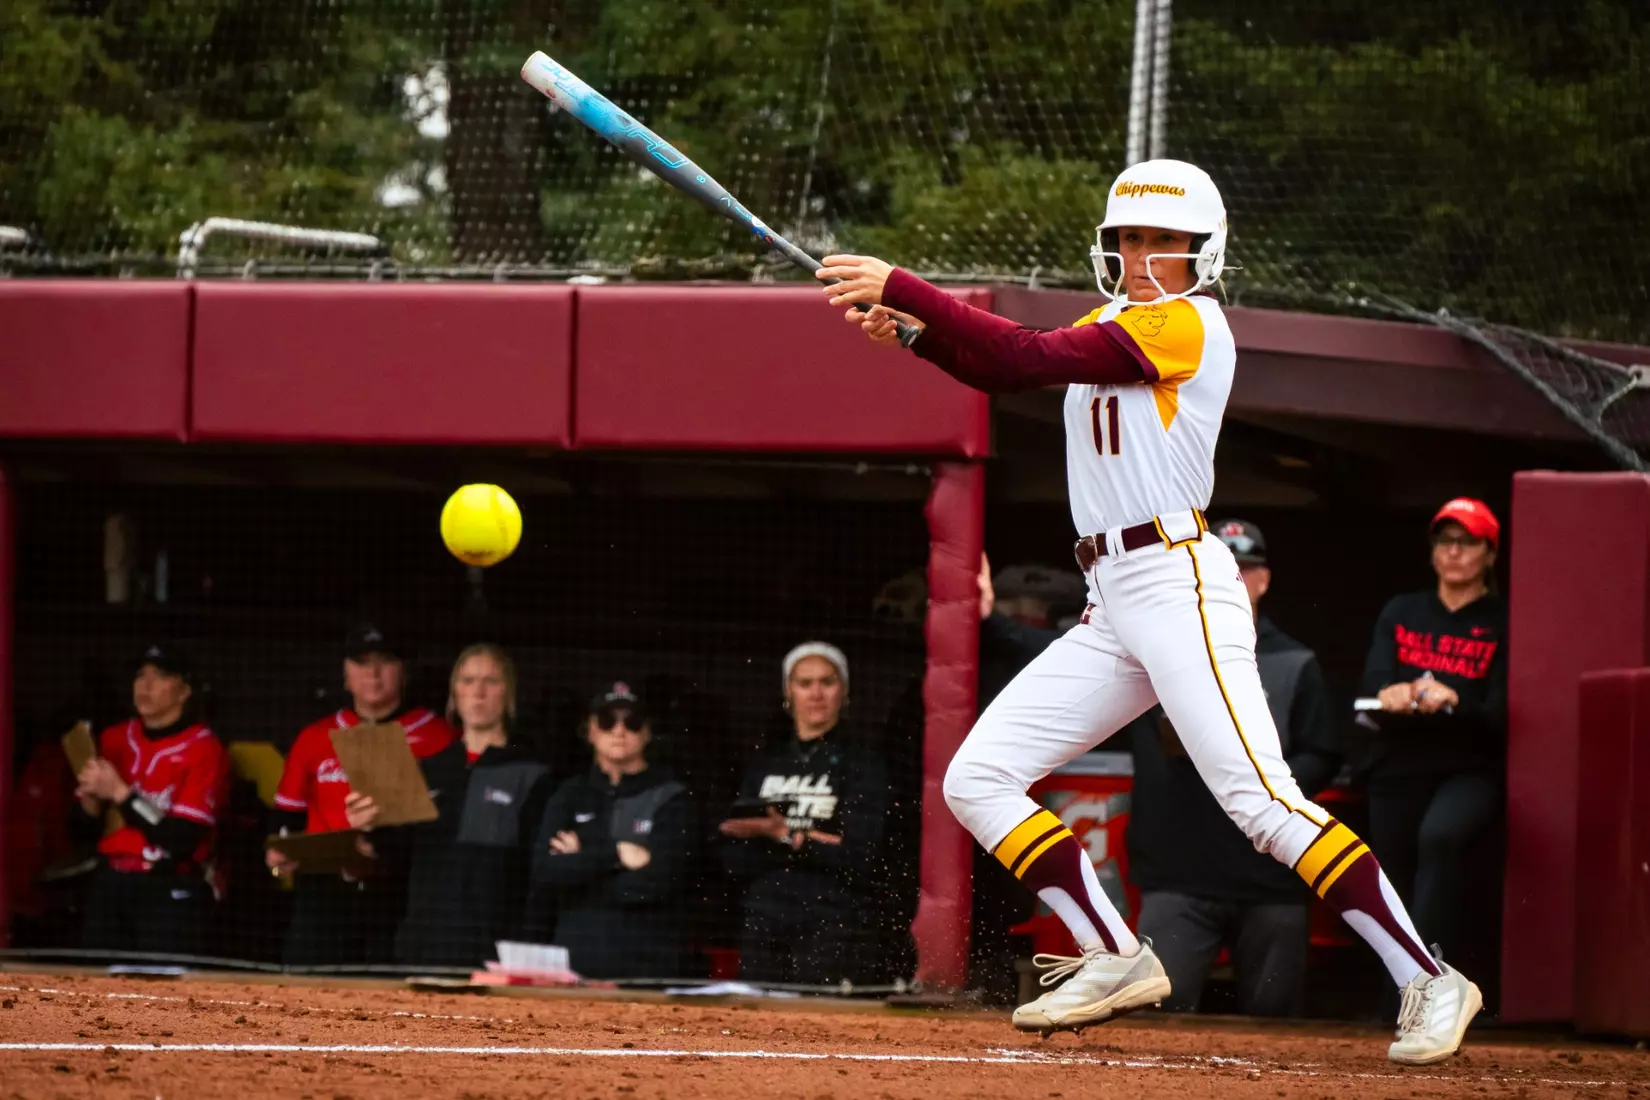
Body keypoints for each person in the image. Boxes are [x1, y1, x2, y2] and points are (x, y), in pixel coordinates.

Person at [819, 158, 1479, 1064]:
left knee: (1263, 805)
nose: (1142, 256)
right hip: (1111, 597)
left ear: (1203, 253)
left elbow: (1026, 356)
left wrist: (905, 284)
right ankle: (1113, 952)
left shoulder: (1190, 323)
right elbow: (1003, 366)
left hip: (1178, 583)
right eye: (1129, 239)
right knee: (978, 778)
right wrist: (916, 335)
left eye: (1164, 242)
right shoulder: (1111, 322)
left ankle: (1429, 977)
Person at [1127, 519, 1342, 1017]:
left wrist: (1257, 783)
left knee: (1275, 1022)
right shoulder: (1155, 653)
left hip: (1271, 875)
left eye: (1243, 570)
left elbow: (1324, 754)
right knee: (1151, 1017)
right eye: (1219, 568)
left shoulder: (1293, 661)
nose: (1232, 579)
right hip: (1178, 873)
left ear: (1263, 580)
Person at [1360, 498, 1507, 970]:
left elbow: (1501, 713)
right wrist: (1393, 693)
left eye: (1468, 542)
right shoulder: (1403, 610)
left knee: (1440, 838)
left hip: (1468, 766)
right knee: (1391, 874)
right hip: (1400, 762)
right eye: (1445, 541)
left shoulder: (1503, 620)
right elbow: (1372, 687)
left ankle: (1433, 976)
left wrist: (1454, 699)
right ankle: (1396, 992)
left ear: (1490, 553)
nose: (1454, 552)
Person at [268, 624, 460, 967]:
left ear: (404, 670)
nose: (372, 674)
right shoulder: (316, 735)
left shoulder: (437, 735)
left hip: (397, 892)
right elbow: (287, 816)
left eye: (385, 661)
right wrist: (279, 852)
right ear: (345, 673)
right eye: (361, 662)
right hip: (323, 892)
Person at [719, 643, 889, 987]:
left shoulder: (864, 764)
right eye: (804, 683)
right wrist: (813, 839)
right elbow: (733, 850)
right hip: (765, 915)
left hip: (834, 919)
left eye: (827, 682)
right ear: (788, 691)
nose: (816, 694)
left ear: (844, 691)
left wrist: (781, 835)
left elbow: (862, 855)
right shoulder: (764, 763)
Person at [396, 644, 552, 968]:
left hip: (496, 949)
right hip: (425, 945)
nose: (478, 692)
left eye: (490, 681)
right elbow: (398, 858)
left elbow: (539, 874)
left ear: (508, 692)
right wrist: (369, 824)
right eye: (468, 681)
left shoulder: (532, 775)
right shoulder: (426, 770)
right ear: (455, 693)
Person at [528, 682, 696, 980]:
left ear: (647, 732)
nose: (619, 730)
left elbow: (664, 880)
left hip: (648, 967)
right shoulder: (568, 794)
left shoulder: (672, 797)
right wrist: (616, 855)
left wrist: (581, 865)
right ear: (590, 730)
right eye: (607, 721)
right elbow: (545, 872)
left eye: (632, 722)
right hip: (576, 964)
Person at [73, 643, 229, 957]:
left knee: (162, 984)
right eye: (140, 675)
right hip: (111, 881)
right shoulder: (113, 738)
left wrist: (122, 794)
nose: (145, 685)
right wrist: (90, 805)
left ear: (184, 691)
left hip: (167, 885)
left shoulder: (204, 748)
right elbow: (78, 833)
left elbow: (182, 838)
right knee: (94, 982)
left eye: (159, 676)